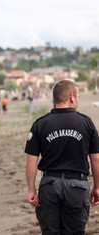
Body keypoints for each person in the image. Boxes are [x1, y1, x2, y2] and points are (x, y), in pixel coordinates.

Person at [25, 80, 99, 234]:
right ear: (72, 97)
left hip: (49, 185)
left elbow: (31, 159)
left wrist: (31, 190)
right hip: (77, 186)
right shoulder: (86, 123)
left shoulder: (41, 123)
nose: (77, 101)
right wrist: (97, 187)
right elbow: (96, 159)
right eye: (78, 97)